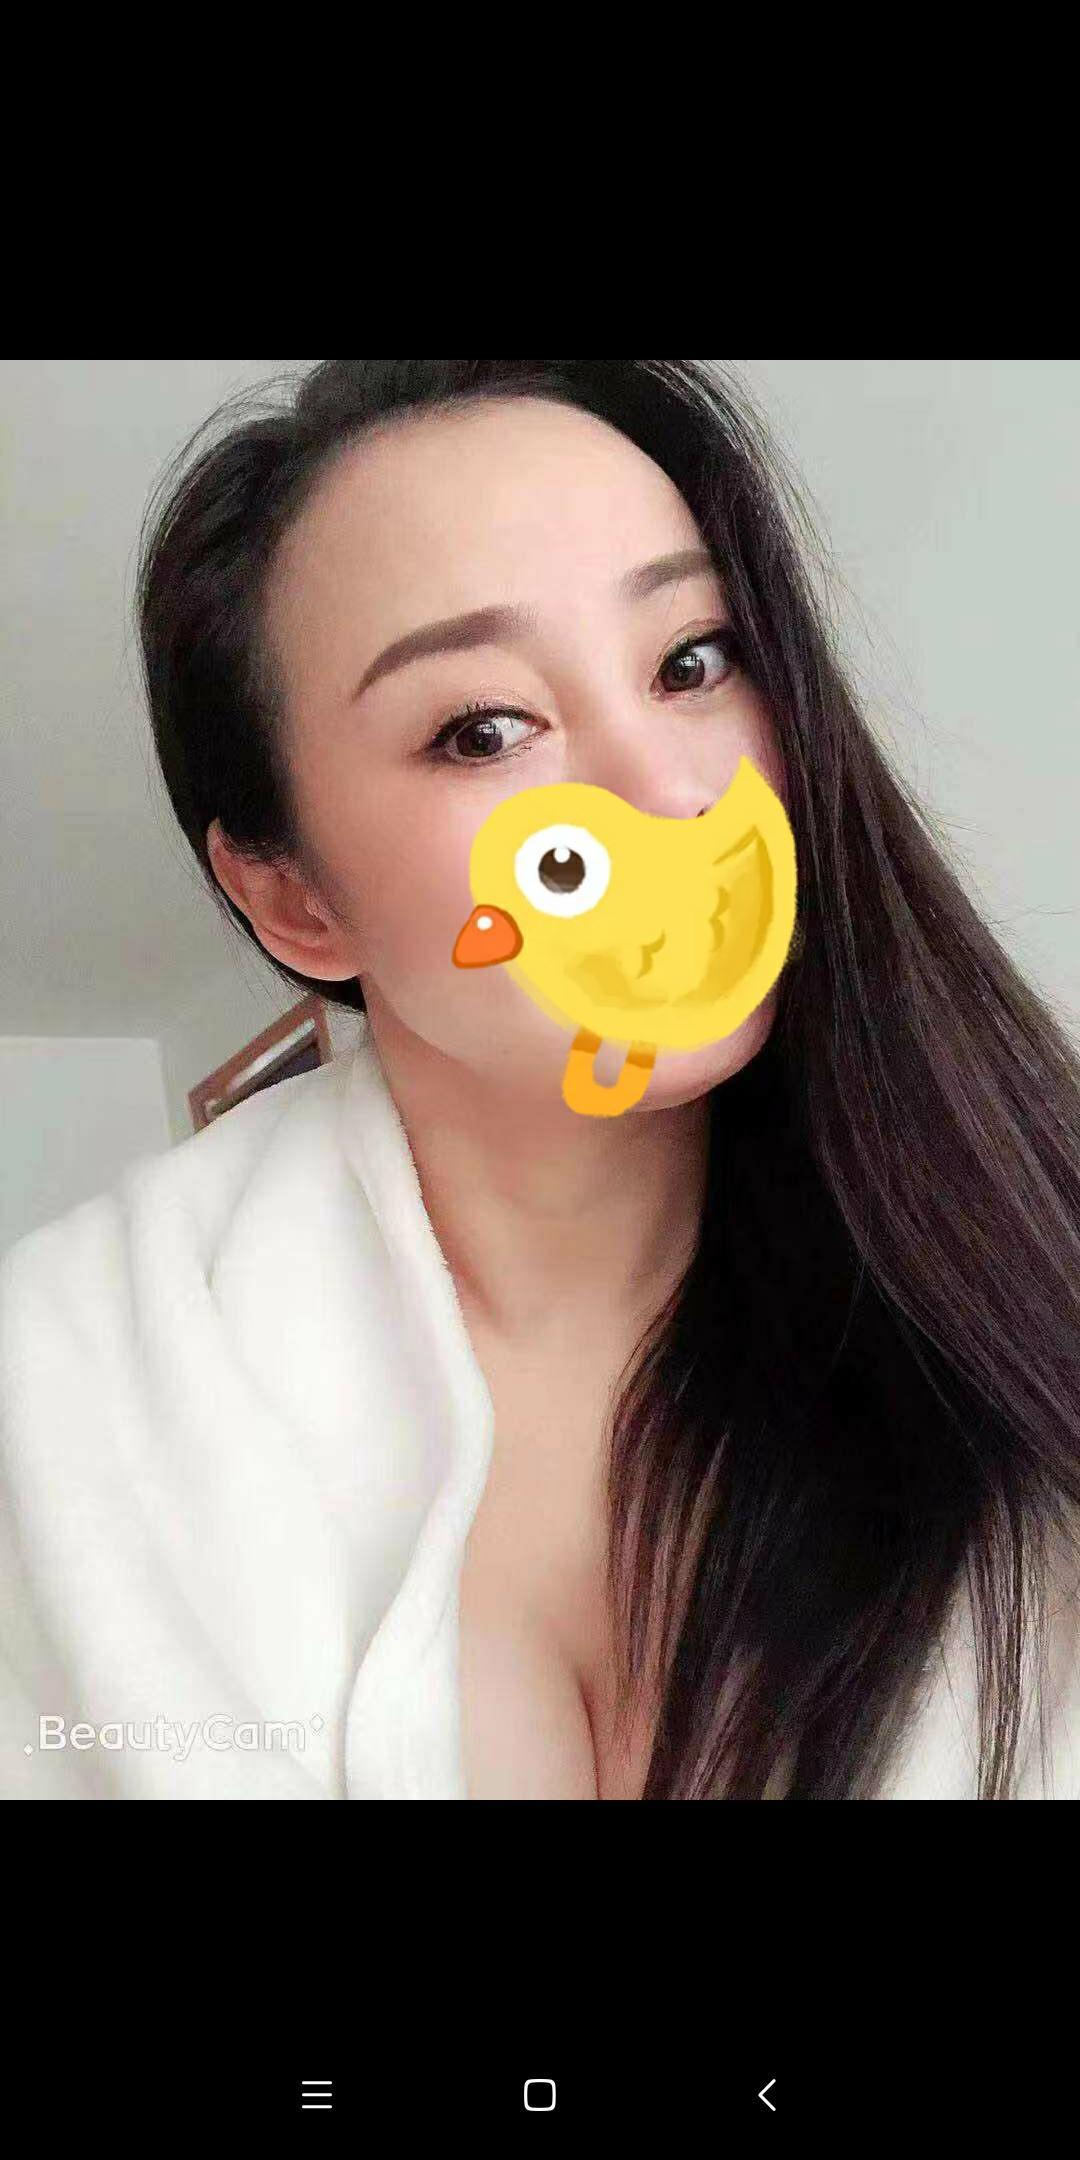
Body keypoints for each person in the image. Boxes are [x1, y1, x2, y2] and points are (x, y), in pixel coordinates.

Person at [4, 359, 1080, 1800]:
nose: (667, 791)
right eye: (485, 729)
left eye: (692, 661)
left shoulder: (1021, 1259)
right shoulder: (70, 1395)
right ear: (294, 901)